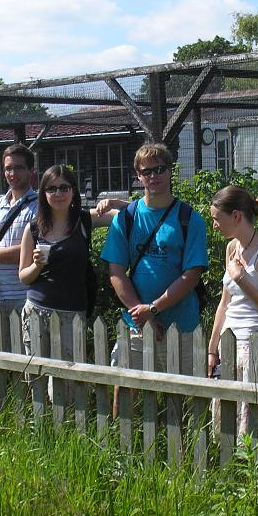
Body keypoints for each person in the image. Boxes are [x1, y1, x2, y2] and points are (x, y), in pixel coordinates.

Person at [101, 142, 208, 373]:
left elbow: (192, 275)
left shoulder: (190, 218)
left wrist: (153, 309)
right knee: (126, 388)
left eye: (159, 169)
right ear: (138, 175)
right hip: (136, 324)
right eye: (147, 171)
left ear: (170, 170)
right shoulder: (126, 219)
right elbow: (116, 271)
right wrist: (142, 312)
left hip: (182, 324)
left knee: (183, 392)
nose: (153, 176)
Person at [207, 185, 258, 434]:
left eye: (217, 219)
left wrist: (241, 279)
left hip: (255, 345)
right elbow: (224, 303)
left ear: (236, 216)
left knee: (250, 428)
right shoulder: (232, 248)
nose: (214, 225)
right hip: (228, 344)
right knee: (225, 425)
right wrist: (212, 350)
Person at [18, 165, 96, 357]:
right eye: (51, 188)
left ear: (73, 190)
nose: (58, 193)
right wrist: (37, 265)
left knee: (69, 374)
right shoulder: (33, 229)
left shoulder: (84, 220)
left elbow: (129, 213)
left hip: (72, 313)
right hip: (37, 310)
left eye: (64, 187)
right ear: (43, 193)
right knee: (37, 372)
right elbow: (24, 277)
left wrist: (113, 202)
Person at [0, 145, 39, 322]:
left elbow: (32, 252)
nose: (13, 173)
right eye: (8, 168)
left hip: (29, 296)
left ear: (31, 171)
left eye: (19, 168)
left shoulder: (40, 206)